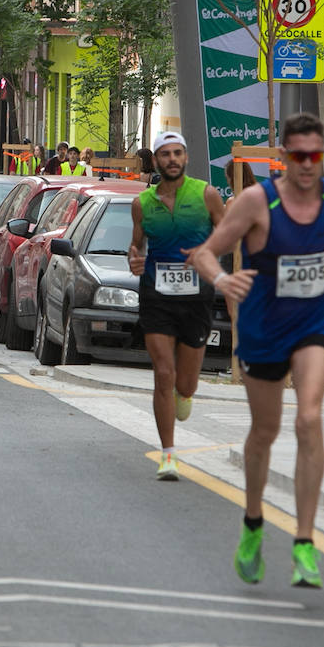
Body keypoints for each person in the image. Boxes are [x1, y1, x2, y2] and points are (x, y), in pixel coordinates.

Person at [187, 112, 324, 589]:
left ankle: (304, 541)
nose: (308, 165)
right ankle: (253, 522)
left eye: (316, 156)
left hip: (316, 322)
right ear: (282, 158)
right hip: (264, 327)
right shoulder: (256, 203)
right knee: (265, 430)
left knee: (308, 418)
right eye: (298, 156)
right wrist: (223, 279)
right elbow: (204, 252)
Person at [128, 131, 225, 480]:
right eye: (165, 154)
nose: (172, 159)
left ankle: (186, 393)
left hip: (196, 298)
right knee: (163, 375)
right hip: (156, 296)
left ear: (186, 158)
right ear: (155, 161)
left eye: (178, 153)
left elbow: (226, 235)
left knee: (185, 384)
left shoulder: (207, 195)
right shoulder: (143, 203)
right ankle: (168, 454)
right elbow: (136, 245)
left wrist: (207, 253)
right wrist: (134, 259)